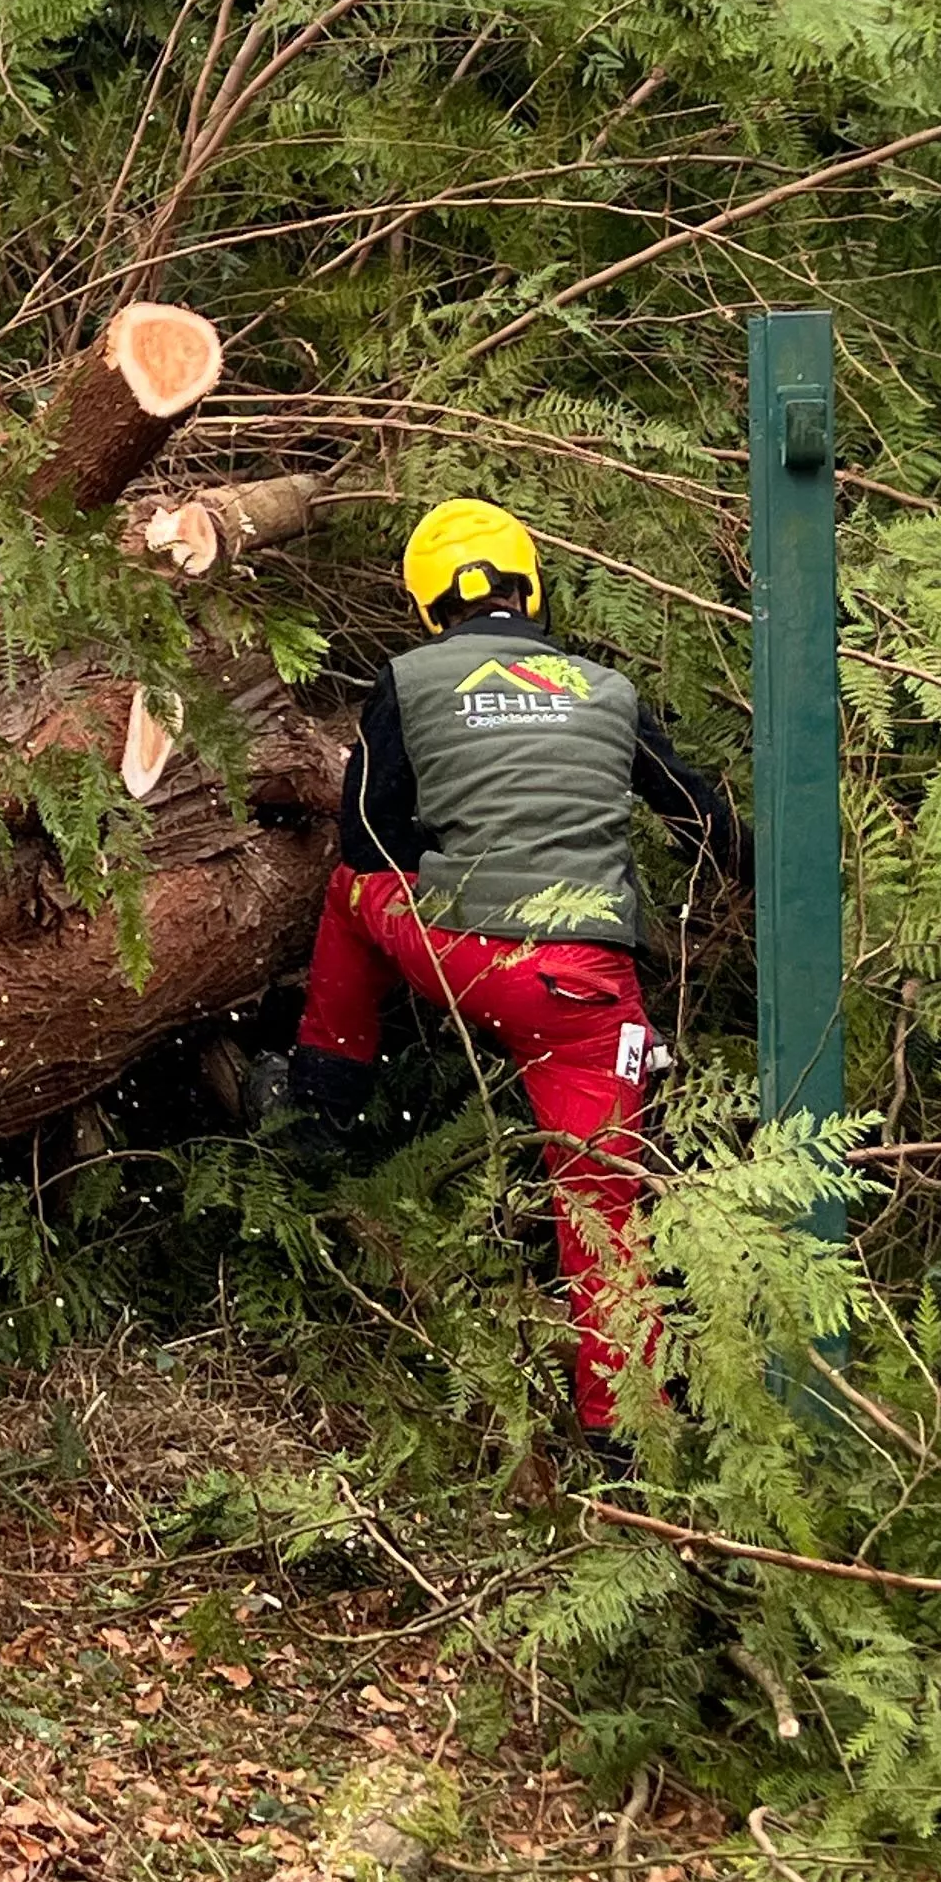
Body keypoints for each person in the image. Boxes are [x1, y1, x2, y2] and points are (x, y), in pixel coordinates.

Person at [281, 498, 748, 1440]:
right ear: (531, 588)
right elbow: (704, 821)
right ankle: (628, 1441)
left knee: (348, 892)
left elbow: (368, 840)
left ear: (427, 604)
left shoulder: (409, 681)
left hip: (470, 955)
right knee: (607, 1225)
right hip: (589, 996)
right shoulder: (608, 691)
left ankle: (321, 1102)